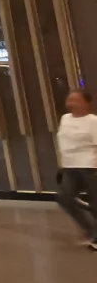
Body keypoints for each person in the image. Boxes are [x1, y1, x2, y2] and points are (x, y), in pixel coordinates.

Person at [56, 88, 97, 250]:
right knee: (64, 198)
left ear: (87, 103)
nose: (71, 103)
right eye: (70, 99)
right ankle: (90, 229)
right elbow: (64, 142)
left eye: (76, 100)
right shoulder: (65, 119)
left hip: (89, 165)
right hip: (69, 165)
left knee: (95, 202)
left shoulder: (93, 121)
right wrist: (62, 163)